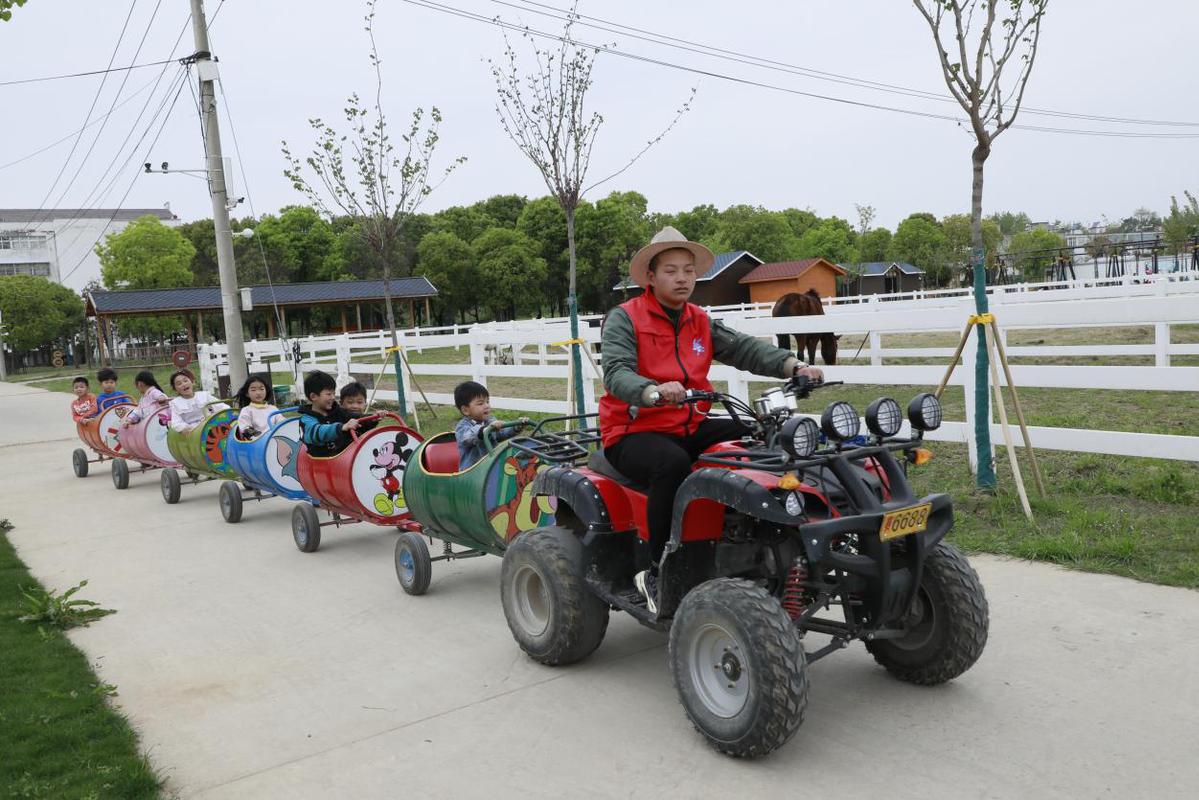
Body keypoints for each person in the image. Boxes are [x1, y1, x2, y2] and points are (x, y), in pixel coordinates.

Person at [599, 226, 824, 613]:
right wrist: (650, 390)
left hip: (689, 423)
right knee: (671, 464)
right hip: (635, 428)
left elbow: (745, 350)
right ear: (650, 277)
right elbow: (616, 371)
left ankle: (765, 537)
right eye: (671, 270)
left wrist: (794, 364)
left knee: (757, 433)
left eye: (688, 270)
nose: (682, 278)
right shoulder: (625, 319)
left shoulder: (699, 319)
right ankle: (657, 567)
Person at [453, 380, 530, 470]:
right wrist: (483, 430)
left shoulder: (489, 421)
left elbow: (501, 433)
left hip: (491, 469)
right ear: (465, 410)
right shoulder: (463, 426)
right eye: (480, 403)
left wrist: (515, 427)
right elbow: (467, 437)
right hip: (472, 473)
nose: (487, 406)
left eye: (487, 401)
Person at [298, 370, 360, 456]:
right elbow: (318, 432)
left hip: (343, 459)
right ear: (313, 396)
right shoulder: (306, 420)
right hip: (320, 464)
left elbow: (353, 417)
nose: (333, 397)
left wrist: (373, 417)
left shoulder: (336, 411)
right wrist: (341, 427)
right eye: (329, 394)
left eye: (334, 393)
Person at [168, 369, 230, 434]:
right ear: (175, 389)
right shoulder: (176, 403)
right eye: (179, 384)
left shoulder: (204, 395)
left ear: (192, 382)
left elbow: (221, 406)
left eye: (185, 381)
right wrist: (186, 428)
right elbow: (176, 422)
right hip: (194, 431)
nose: (183, 384)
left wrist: (226, 412)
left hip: (211, 424)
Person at [234, 373, 278, 440]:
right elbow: (245, 427)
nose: (258, 393)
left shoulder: (273, 409)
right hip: (257, 444)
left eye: (261, 389)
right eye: (253, 390)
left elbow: (282, 423)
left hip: (275, 440)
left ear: (266, 390)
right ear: (247, 393)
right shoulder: (246, 410)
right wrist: (255, 436)